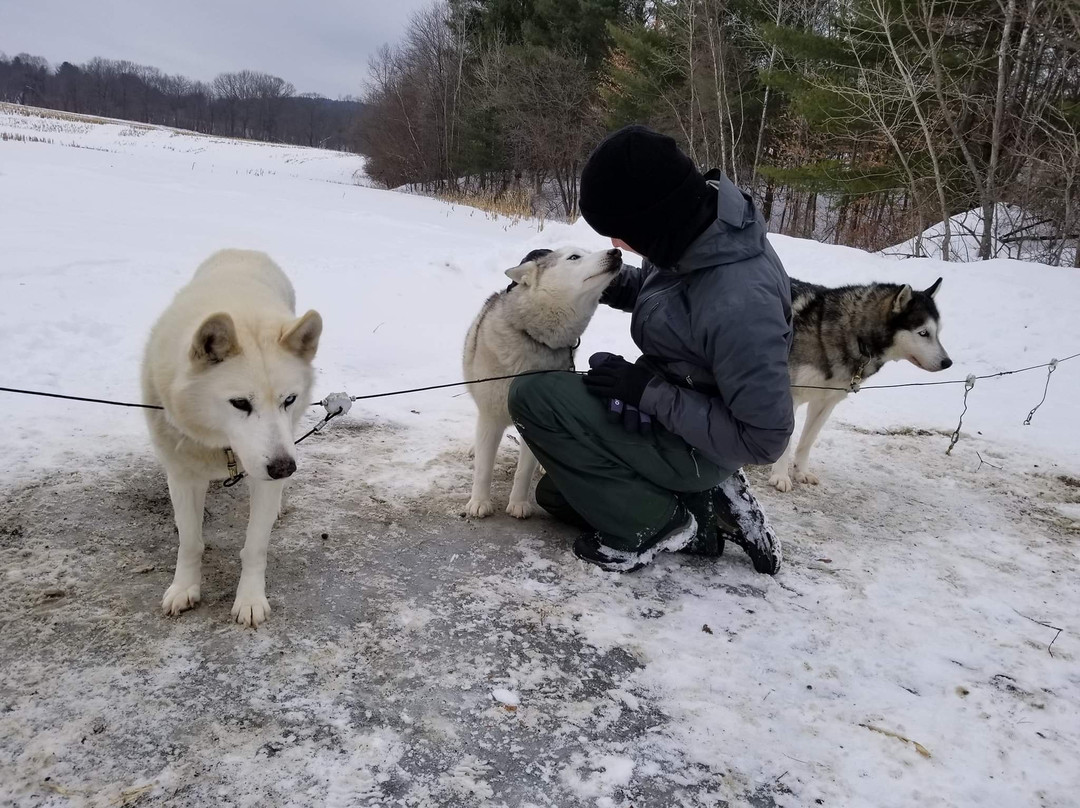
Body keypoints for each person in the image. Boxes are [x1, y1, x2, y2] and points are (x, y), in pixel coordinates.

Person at [507, 125, 794, 574]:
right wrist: (604, 281)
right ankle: (706, 510)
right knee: (557, 496)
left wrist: (646, 392)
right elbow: (677, 303)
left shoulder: (742, 302)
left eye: (621, 232)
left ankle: (663, 524)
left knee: (532, 396)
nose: (618, 244)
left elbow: (765, 438)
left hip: (701, 442)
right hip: (673, 416)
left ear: (652, 218)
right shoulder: (697, 228)